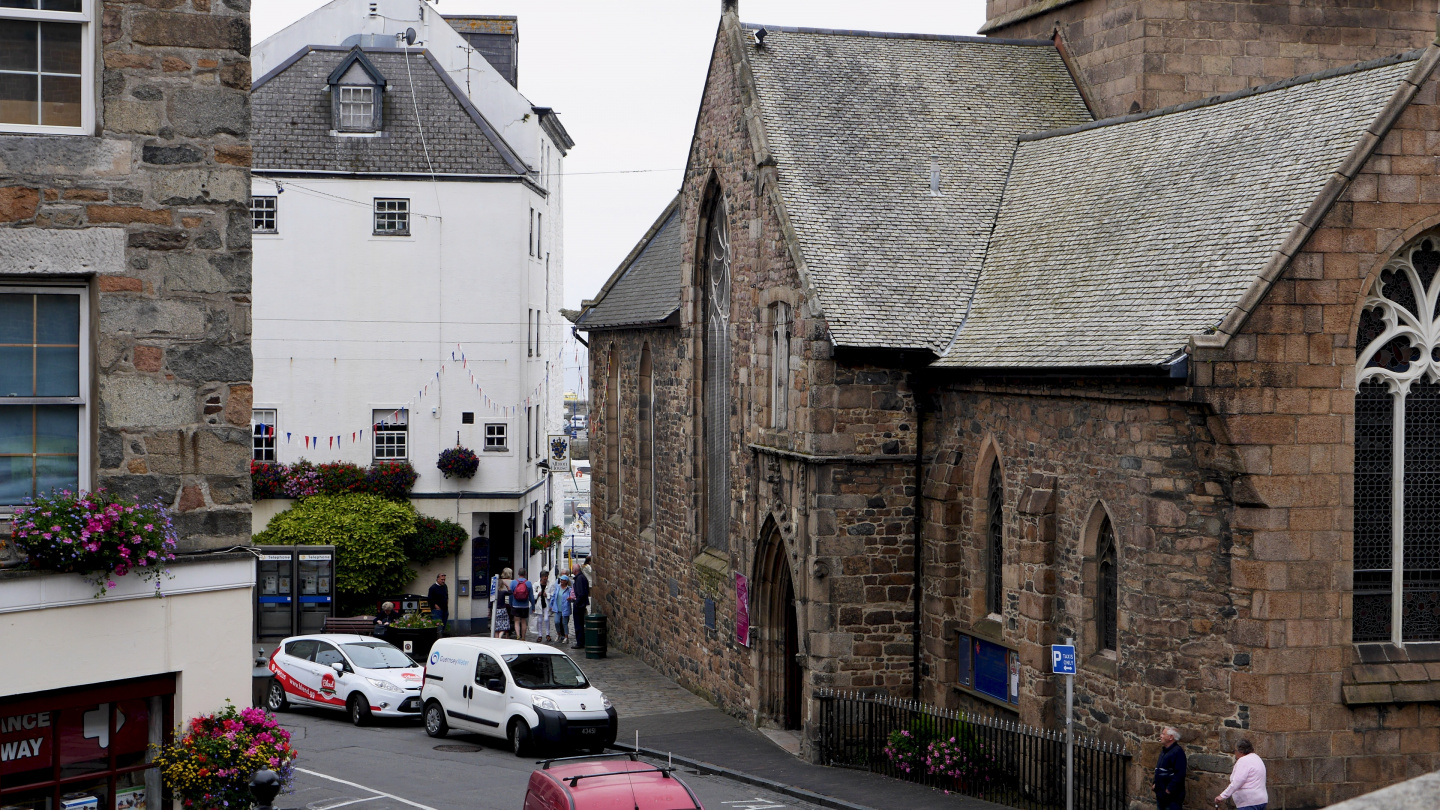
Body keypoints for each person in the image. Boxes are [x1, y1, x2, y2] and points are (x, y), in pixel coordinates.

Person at [1215, 739, 1267, 810]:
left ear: (1241, 751)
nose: (1235, 753)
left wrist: (1222, 796)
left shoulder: (1243, 761)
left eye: (1235, 751)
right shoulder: (1256, 758)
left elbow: (1237, 782)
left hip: (1249, 803)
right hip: (1261, 801)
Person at [1153, 726, 1187, 810]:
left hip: (1172, 797)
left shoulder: (1178, 752)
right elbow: (1159, 769)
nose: (1161, 736)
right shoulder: (1164, 751)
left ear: (1171, 737)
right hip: (1161, 794)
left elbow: (1180, 773)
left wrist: (1169, 789)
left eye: (1163, 734)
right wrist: (1155, 783)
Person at [570, 563, 590, 650]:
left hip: (579, 605)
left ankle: (580, 642)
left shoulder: (579, 579)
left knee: (578, 624)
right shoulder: (582, 577)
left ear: (575, 570)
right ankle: (581, 641)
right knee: (580, 623)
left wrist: (576, 602)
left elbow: (581, 593)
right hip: (581, 604)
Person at [511, 568, 533, 642]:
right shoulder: (528, 583)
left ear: (518, 574)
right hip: (525, 606)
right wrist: (533, 605)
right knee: (523, 621)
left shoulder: (513, 582)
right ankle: (523, 637)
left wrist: (511, 604)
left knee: (516, 621)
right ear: (525, 574)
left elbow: (511, 595)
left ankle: (517, 635)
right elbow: (531, 596)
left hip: (515, 605)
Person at [552, 573, 573, 644]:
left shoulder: (569, 589)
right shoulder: (557, 587)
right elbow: (554, 596)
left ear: (566, 581)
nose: (561, 581)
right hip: (558, 608)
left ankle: (566, 637)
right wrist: (551, 605)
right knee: (556, 622)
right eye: (561, 580)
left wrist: (570, 598)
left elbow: (572, 597)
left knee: (565, 623)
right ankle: (558, 634)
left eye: (563, 580)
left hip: (565, 608)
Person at [492, 568, 513, 638]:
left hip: (500, 605)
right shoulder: (512, 582)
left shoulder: (499, 581)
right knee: (507, 620)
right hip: (508, 603)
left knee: (498, 621)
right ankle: (507, 635)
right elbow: (511, 592)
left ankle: (498, 636)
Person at [534, 570, 552, 643]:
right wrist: (538, 594)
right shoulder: (536, 584)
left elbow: (552, 593)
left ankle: (548, 634)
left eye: (547, 577)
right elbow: (533, 593)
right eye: (544, 577)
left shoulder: (549, 584)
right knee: (539, 620)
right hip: (539, 604)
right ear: (541, 577)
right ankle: (540, 635)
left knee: (546, 619)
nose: (546, 578)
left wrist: (547, 595)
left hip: (546, 604)